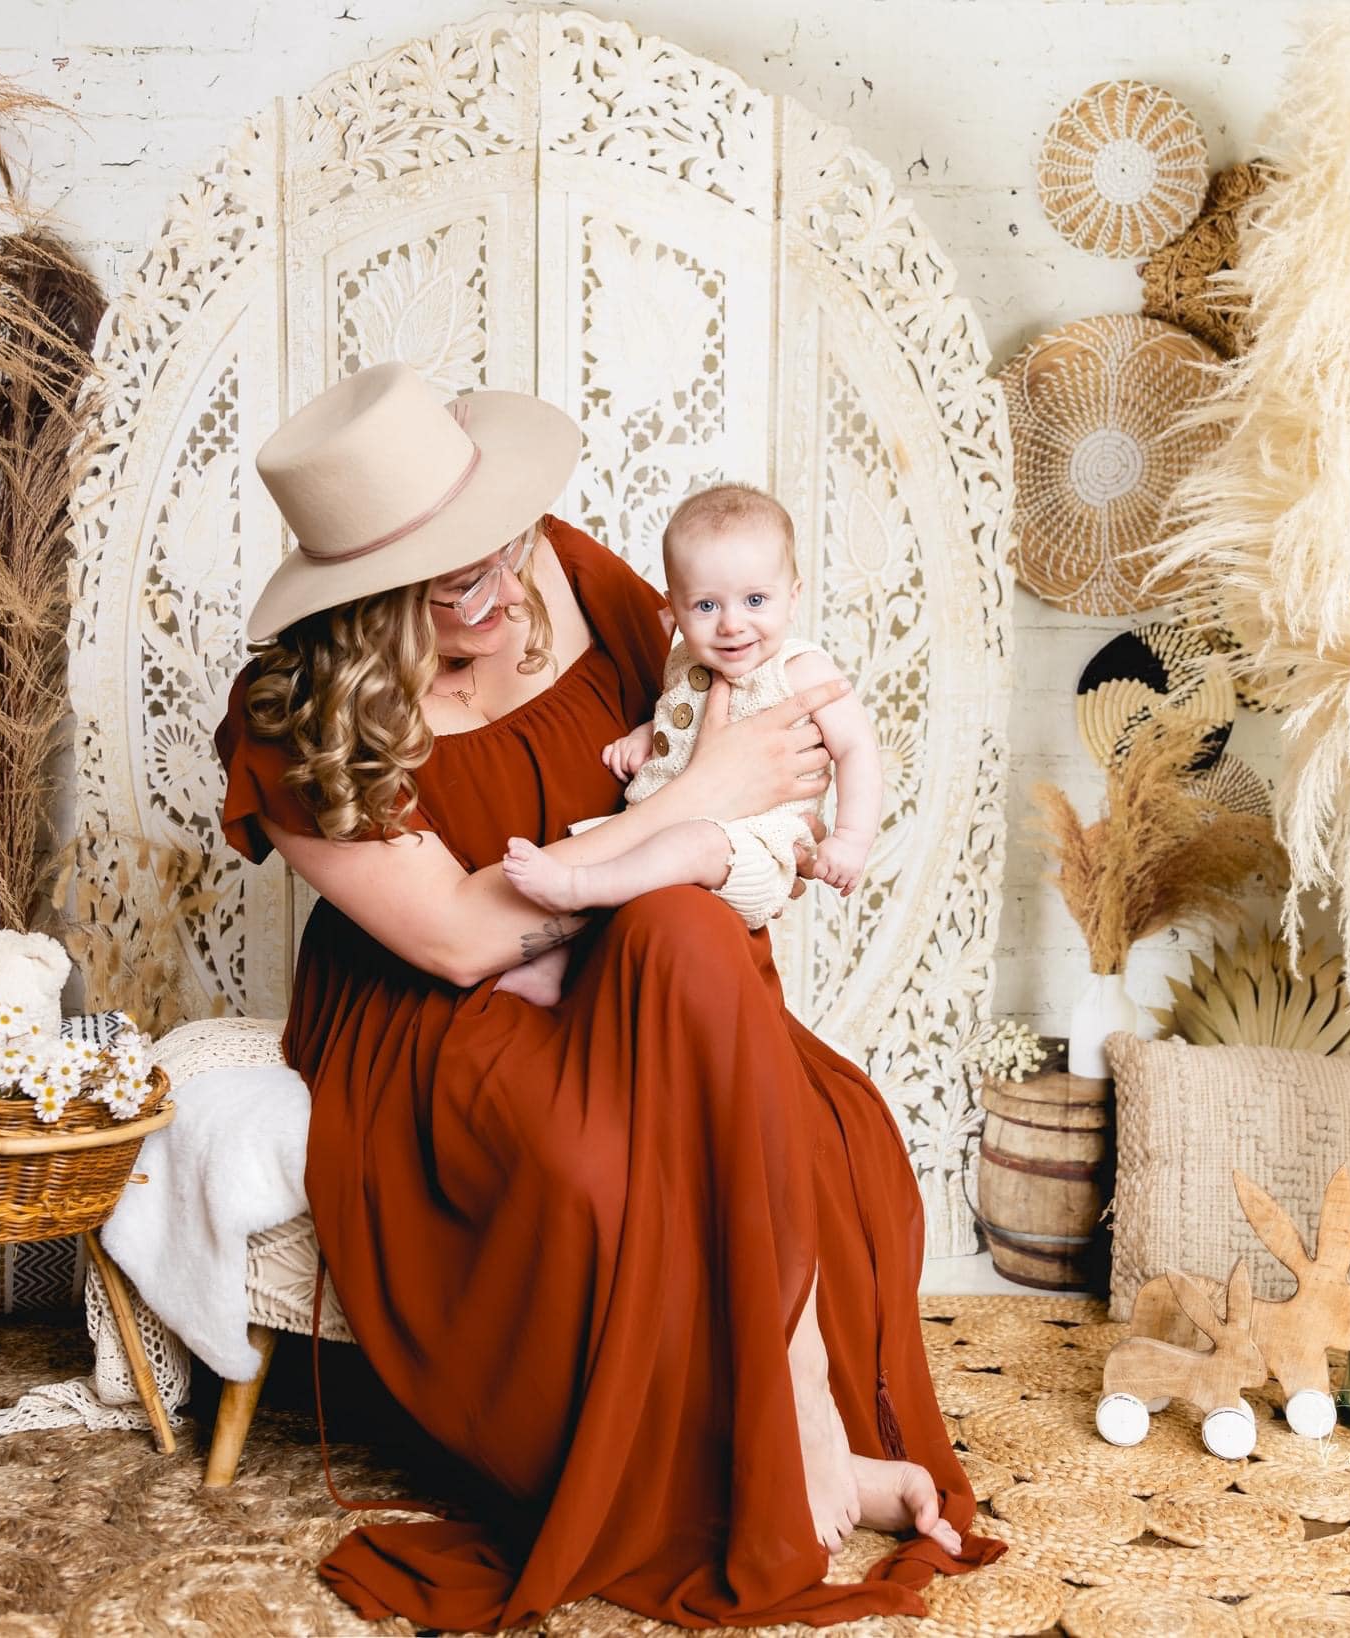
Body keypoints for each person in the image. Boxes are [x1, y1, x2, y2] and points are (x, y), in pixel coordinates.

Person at [214, 361, 1003, 1632]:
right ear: (359, 595)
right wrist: (697, 798)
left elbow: (758, 763)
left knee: (731, 990)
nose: (496, 589)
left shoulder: (575, 573)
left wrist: (724, 824)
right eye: (447, 581)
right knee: (595, 1173)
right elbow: (467, 940)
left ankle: (796, 1411)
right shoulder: (293, 716)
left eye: (497, 546)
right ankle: (794, 1458)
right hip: (448, 1017)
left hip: (630, 955)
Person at [497, 482, 878, 1006]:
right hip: (670, 823)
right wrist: (645, 738)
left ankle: (577, 888)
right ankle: (553, 966)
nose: (731, 624)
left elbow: (858, 750)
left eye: (755, 600)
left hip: (754, 849)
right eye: (705, 605)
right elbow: (682, 717)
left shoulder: (803, 671)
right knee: (600, 836)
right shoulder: (686, 665)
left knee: (683, 846)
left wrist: (850, 839)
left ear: (793, 597)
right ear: (674, 607)